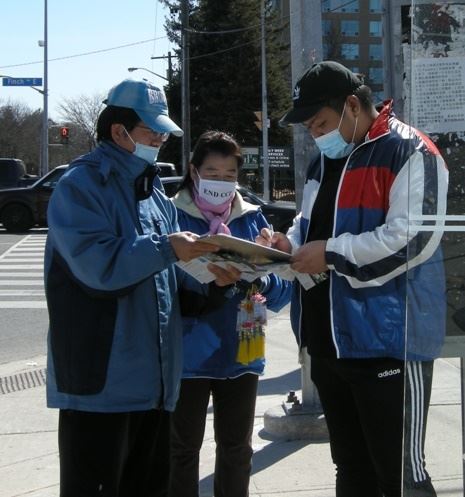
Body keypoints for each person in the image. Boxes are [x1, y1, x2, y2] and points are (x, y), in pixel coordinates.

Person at [257, 61, 448, 497]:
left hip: (390, 344)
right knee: (352, 471)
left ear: (351, 105)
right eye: (308, 127)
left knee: (401, 476)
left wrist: (329, 254)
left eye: (319, 122)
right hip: (328, 345)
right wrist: (287, 245)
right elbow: (309, 224)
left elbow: (412, 239)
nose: (314, 134)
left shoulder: (410, 150)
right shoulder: (322, 162)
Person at [44, 79, 237, 497]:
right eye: (153, 131)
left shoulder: (155, 196)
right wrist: (168, 247)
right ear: (119, 131)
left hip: (155, 390)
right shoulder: (79, 187)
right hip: (99, 390)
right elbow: (100, 268)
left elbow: (177, 286)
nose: (161, 140)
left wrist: (220, 278)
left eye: (164, 132)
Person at [168, 131, 291, 497]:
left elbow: (283, 288)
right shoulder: (171, 216)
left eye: (228, 175)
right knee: (181, 451)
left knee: (237, 450)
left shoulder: (253, 220)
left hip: (242, 350)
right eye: (212, 173)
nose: (220, 183)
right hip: (187, 354)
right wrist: (206, 282)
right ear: (193, 171)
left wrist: (262, 279)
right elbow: (159, 283)